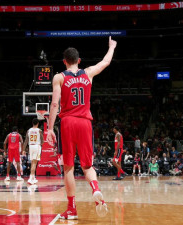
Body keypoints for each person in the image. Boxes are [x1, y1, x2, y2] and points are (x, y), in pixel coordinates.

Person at [47, 36, 117, 220]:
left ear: (64, 61)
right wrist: (111, 46)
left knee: (68, 168)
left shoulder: (59, 77)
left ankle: (71, 209)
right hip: (85, 122)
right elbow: (106, 62)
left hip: (68, 122)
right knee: (87, 166)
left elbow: (54, 105)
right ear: (79, 61)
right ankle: (96, 189)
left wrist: (49, 129)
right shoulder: (88, 73)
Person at [23, 118, 44, 185]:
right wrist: (41, 143)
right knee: (35, 162)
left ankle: (33, 177)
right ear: (38, 123)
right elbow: (42, 141)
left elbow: (26, 140)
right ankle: (31, 178)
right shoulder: (39, 130)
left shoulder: (29, 130)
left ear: (32, 123)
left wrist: (23, 149)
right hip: (36, 146)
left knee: (32, 162)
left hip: (30, 146)